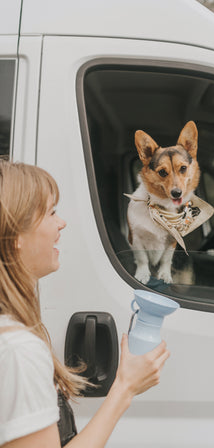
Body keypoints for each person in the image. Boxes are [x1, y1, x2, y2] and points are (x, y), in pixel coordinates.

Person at [0, 160, 170, 448]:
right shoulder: (18, 351)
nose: (61, 222)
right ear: (17, 234)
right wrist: (125, 389)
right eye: (51, 212)